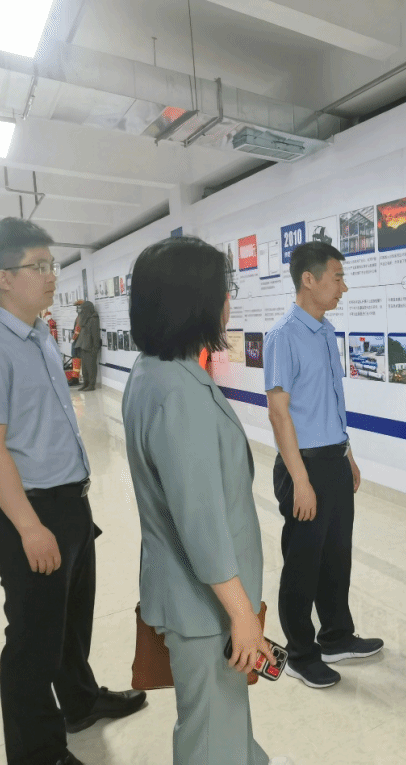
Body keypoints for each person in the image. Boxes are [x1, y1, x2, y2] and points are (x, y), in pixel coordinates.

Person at [0, 218, 146, 765]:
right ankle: (38, 752)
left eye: (51, 265)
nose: (51, 276)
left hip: (69, 504)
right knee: (32, 644)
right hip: (31, 513)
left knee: (71, 623)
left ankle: (80, 701)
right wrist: (30, 527)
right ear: (4, 277)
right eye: (39, 267)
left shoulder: (38, 334)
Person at [122, 236, 288, 765]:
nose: (228, 300)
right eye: (223, 289)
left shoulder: (154, 370)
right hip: (206, 607)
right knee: (212, 740)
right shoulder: (179, 394)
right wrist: (243, 615)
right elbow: (201, 522)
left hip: (193, 595)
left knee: (224, 726)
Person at [264, 241, 383, 689]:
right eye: (337, 277)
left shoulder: (325, 330)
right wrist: (300, 480)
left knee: (336, 556)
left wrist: (346, 454)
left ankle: (336, 636)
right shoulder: (283, 336)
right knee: (303, 564)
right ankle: (300, 653)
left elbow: (331, 402)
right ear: (309, 279)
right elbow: (279, 414)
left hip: (332, 460)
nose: (343, 287)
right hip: (304, 468)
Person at [74, 301, 100, 391]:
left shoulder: (93, 319)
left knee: (91, 367)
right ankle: (86, 383)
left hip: (90, 347)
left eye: (83, 309)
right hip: (83, 346)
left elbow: (95, 335)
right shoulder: (85, 318)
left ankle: (91, 385)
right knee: (84, 368)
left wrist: (95, 348)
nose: (81, 311)